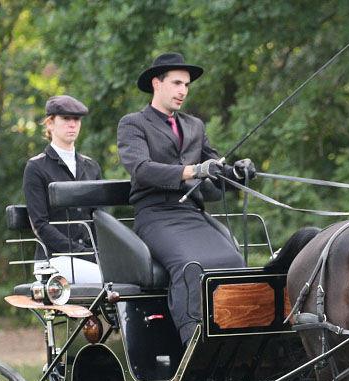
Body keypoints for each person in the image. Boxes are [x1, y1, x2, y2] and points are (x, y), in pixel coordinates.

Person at [118, 52, 256, 345]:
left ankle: (239, 339)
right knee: (190, 265)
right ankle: (193, 340)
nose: (183, 91)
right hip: (155, 215)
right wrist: (193, 170)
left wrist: (238, 172)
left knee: (233, 261)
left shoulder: (195, 126)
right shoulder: (133, 124)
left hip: (192, 214)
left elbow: (215, 167)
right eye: (177, 83)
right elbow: (141, 170)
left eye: (187, 85)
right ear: (157, 83)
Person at [22, 94, 103, 283]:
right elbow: (40, 225)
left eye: (76, 119)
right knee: (109, 279)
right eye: (66, 119)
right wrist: (80, 253)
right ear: (50, 123)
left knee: (133, 276)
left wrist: (100, 253)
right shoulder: (36, 167)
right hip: (54, 259)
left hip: (92, 257)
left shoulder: (91, 167)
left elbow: (100, 218)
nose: (72, 124)